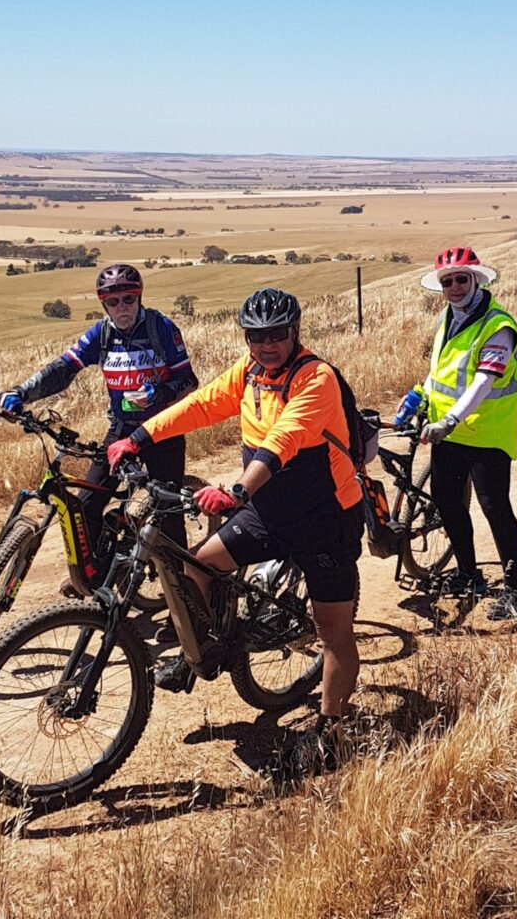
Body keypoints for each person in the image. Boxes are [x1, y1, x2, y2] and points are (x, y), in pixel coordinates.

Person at [107, 287, 365, 777]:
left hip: (324, 520)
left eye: (276, 335)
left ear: (295, 333)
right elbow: (199, 405)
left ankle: (331, 731)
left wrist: (238, 491)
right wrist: (137, 437)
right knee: (194, 568)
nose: (266, 345)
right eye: (256, 336)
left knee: (334, 635)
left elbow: (282, 441)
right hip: (268, 512)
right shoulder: (249, 374)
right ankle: (206, 648)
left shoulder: (317, 378)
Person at [0, 263, 199, 597]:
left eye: (129, 299)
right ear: (103, 303)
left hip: (163, 429)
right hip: (120, 431)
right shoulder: (101, 334)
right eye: (114, 301)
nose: (122, 308)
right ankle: (96, 578)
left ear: (139, 297)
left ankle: (182, 600)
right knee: (88, 503)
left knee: (169, 514)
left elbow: (188, 381)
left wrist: (158, 394)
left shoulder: (161, 328)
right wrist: (22, 392)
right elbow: (62, 370)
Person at [405, 246, 517, 619]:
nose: (454, 287)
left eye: (461, 279)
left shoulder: (498, 325)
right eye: (447, 282)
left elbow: (484, 382)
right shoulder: (449, 317)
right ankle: (469, 573)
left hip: (486, 434)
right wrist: (418, 396)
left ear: (477, 279)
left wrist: (450, 420)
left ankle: (514, 588)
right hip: (449, 434)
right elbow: (442, 371)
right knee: (448, 503)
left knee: (494, 508)